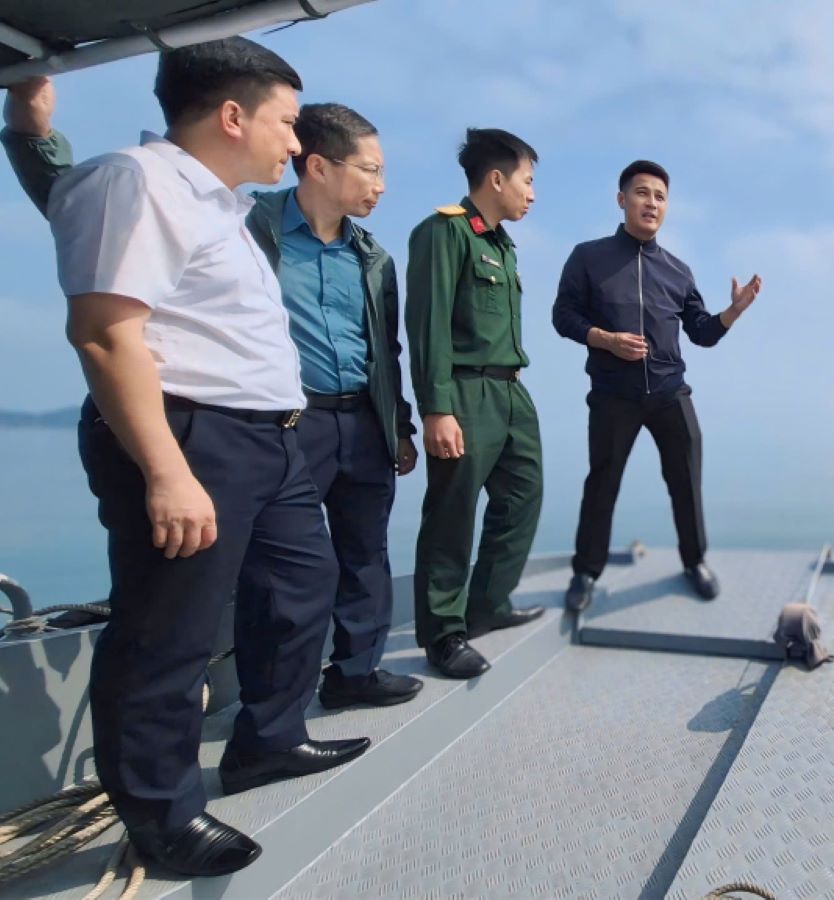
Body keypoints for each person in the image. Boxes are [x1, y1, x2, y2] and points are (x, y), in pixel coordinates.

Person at [12, 38, 369, 877]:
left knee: (301, 585)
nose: (294, 143)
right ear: (233, 114)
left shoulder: (221, 208)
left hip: (267, 438)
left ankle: (268, 740)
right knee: (168, 627)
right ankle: (162, 817)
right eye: (286, 125)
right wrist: (167, 470)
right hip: (191, 436)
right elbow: (105, 335)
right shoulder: (133, 183)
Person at [5, 89, 424, 710]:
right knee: (271, 575)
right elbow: (82, 202)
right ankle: (265, 703)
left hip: (361, 420)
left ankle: (354, 672)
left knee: (361, 553)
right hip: (286, 419)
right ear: (320, 165)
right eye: (372, 169)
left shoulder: (374, 258)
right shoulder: (244, 222)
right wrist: (33, 133)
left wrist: (401, 426)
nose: (382, 186)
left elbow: (384, 351)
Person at [551, 160, 763, 612]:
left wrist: (734, 311)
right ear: (622, 199)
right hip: (613, 394)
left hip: (670, 393)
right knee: (602, 483)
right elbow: (563, 316)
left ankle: (694, 562)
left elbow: (702, 332)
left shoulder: (678, 271)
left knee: (686, 481)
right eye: (642, 193)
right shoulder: (588, 257)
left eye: (660, 197)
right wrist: (605, 339)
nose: (652, 203)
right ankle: (585, 572)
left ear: (667, 208)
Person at [405, 128, 545, 679]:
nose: (531, 194)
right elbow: (429, 325)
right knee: (452, 513)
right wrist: (435, 409)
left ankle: (488, 605)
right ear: (496, 178)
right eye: (527, 181)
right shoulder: (446, 232)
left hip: (511, 390)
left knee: (523, 498)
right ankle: (442, 634)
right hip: (464, 393)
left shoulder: (502, 244)